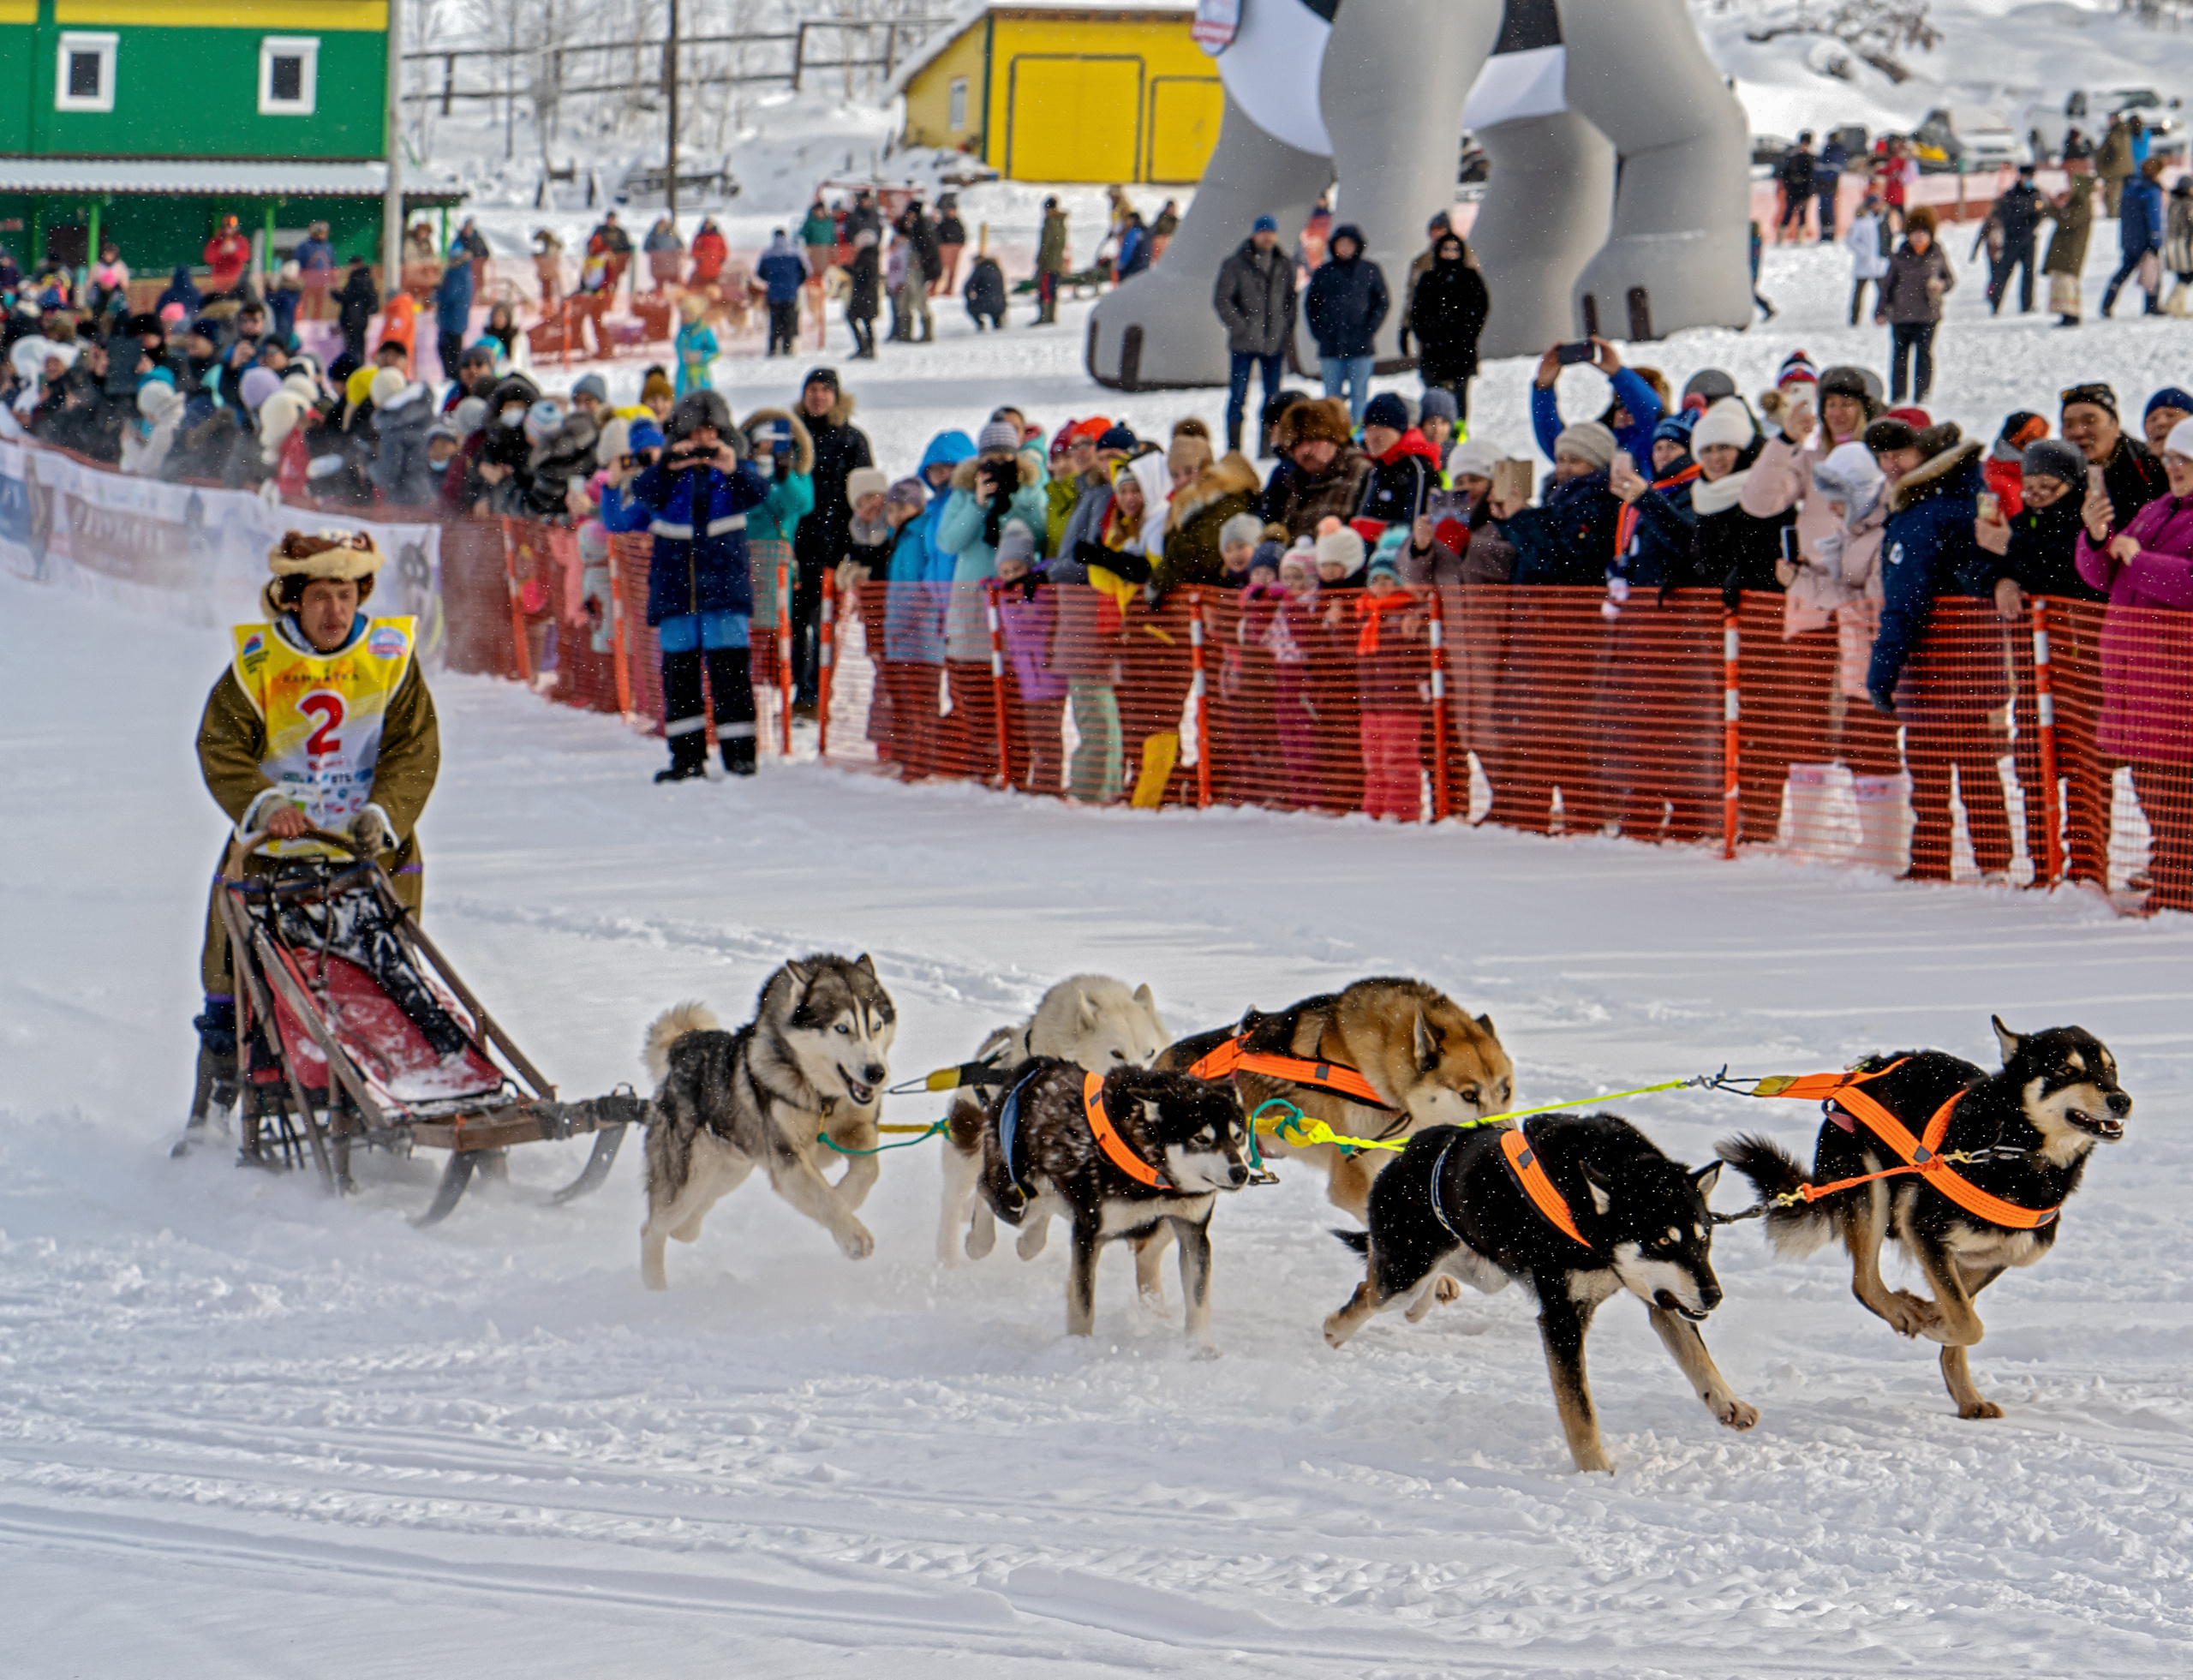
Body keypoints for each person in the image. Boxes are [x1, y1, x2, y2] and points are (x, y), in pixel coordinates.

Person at [188, 532, 439, 1158]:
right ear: (294, 599)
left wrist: (384, 812)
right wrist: (265, 804)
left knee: (386, 980)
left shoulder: (390, 656)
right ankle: (211, 1110)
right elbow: (221, 744)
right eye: (321, 596)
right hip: (270, 859)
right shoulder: (258, 662)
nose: (335, 610)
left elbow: (413, 748)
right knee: (232, 983)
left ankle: (394, 1098)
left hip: (369, 857)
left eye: (346, 595)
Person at [1864, 412, 2011, 882]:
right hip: (1975, 656)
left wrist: (1883, 670)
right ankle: (1994, 861)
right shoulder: (1969, 496)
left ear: (1925, 454)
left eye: (1900, 453)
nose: (1891, 464)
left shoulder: (1924, 512)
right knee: (1978, 764)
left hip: (1934, 663)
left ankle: (1931, 861)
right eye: (1883, 455)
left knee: (1929, 767)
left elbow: (1905, 600)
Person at [1973, 436, 2111, 885]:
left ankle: (2088, 867)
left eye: (2047, 487)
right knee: (2034, 763)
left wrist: (2013, 561)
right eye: (2029, 486)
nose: (2035, 495)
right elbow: (1999, 562)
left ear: (2071, 484)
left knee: (2084, 767)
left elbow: (2072, 573)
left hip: (2078, 664)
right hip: (2034, 669)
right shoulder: (2024, 522)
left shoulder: (2083, 525)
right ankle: (2042, 861)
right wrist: (2001, 578)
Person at [2075, 416, 2193, 911]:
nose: (2175, 468)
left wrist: (2139, 560)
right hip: (2140, 678)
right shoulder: (2156, 508)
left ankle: (2178, 899)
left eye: (2185, 460)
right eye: (2171, 459)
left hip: (2177, 682)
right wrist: (2097, 536)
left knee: (2175, 796)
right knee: (2153, 789)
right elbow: (2103, 577)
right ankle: (2171, 887)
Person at [635, 390, 777, 780]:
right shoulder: (668, 472)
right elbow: (644, 494)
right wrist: (668, 465)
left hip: (724, 591)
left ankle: (741, 757)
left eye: (710, 431)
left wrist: (734, 468)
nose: (703, 440)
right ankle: (686, 758)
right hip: (675, 591)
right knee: (679, 679)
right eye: (695, 432)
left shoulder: (735, 471)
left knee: (731, 675)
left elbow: (761, 494)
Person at [938, 418, 1052, 780]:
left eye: (1005, 456)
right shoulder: (963, 492)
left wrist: (1017, 499)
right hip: (972, 607)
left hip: (1014, 607)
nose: (998, 464)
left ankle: (1016, 770)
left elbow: (1040, 537)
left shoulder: (1030, 490)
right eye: (991, 457)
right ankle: (982, 769)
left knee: (1015, 698)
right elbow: (948, 542)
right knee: (976, 696)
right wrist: (977, 503)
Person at [790, 367, 874, 710]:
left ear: (836, 397)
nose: (818, 396)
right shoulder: (792, 436)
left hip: (833, 547)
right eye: (812, 389)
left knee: (822, 621)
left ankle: (817, 689)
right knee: (794, 621)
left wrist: (858, 549)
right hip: (794, 544)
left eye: (825, 390)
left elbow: (864, 500)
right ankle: (800, 686)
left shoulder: (852, 440)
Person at [738, 408, 818, 707]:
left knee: (773, 630)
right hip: (742, 559)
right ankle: (749, 691)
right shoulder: (740, 470)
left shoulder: (794, 474)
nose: (770, 445)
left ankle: (772, 692)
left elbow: (802, 504)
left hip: (775, 566)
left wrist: (783, 475)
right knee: (745, 629)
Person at [1212, 215, 1296, 456]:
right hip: (1244, 344)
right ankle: (1234, 449)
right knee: (1238, 397)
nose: (1267, 237)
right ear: (1254, 234)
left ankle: (1268, 447)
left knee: (1273, 399)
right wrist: (1241, 326)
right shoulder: (1235, 264)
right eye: (1263, 232)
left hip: (1273, 343)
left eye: (1271, 232)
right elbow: (1223, 300)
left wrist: (1285, 327)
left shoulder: (1283, 263)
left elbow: (1291, 299)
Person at [1529, 336, 1664, 469]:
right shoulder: (1601, 444)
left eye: (1632, 408)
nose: (1624, 412)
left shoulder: (1657, 449)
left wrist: (1618, 373)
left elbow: (1651, 414)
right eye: (1619, 404)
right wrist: (1544, 387)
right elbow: (1561, 446)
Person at [1303, 223, 1388, 425]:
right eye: (1341, 244)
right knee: (1332, 398)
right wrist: (1320, 333)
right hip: (1331, 346)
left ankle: (1357, 434)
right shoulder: (1324, 272)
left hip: (1361, 346)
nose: (1345, 248)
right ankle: (1335, 433)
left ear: (1357, 246)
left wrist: (1369, 330)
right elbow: (1311, 306)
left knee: (1359, 395)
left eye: (1349, 244)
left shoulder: (1370, 270)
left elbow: (1381, 302)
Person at [1408, 229, 1490, 425]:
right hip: (1434, 348)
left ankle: (1458, 428)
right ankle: (1435, 429)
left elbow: (1481, 307)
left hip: (1461, 347)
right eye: (1446, 249)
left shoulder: (1470, 278)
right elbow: (1417, 311)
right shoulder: (1429, 279)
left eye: (1455, 249)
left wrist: (1469, 332)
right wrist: (1425, 335)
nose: (1450, 253)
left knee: (1460, 392)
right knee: (1435, 394)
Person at [2062, 382, 2169, 529]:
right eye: (2068, 425)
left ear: (2115, 425)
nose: (2078, 432)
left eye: (2090, 421)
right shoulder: (2059, 476)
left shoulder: (2149, 465)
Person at [1264, 398, 1372, 540]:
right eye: (1297, 444)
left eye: (1312, 440)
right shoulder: (1292, 481)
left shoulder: (1363, 473)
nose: (1305, 451)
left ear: (1334, 438)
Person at [1878, 206, 1951, 404]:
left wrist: (1941, 285)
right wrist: (1881, 310)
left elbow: (1950, 280)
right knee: (1900, 357)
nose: (1918, 237)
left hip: (1927, 315)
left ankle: (1922, 393)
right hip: (1901, 316)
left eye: (1923, 233)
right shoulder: (1899, 257)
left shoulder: (1937, 255)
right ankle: (1898, 396)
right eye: (1915, 233)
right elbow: (1887, 285)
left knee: (1924, 356)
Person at [1353, 392, 1439, 532]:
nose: (1373, 437)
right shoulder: (1373, 466)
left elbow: (1415, 527)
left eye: (1381, 429)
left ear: (1399, 431)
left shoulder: (1417, 467)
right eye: (1368, 429)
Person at [2103, 155, 2167, 318]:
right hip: (2146, 237)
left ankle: (2107, 303)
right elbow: (2154, 217)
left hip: (2129, 237)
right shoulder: (2151, 191)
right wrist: (2156, 239)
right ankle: (2152, 305)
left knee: (2124, 271)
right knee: (2153, 270)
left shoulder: (2129, 188)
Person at [1986, 164, 2050, 315]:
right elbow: (2005, 216)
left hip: (2029, 239)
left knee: (2028, 274)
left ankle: (2027, 305)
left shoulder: (2036, 194)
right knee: (2003, 273)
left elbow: (2040, 215)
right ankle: (1996, 304)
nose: (2029, 180)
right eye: (2027, 176)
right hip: (2012, 239)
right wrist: (2017, 228)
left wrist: (2030, 226)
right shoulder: (2010, 195)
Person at [2043, 173, 2094, 326]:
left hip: (2070, 250)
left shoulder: (2082, 203)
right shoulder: (2076, 202)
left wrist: (2051, 208)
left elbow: (2067, 220)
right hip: (2065, 249)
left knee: (2067, 282)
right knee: (2062, 281)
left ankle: (2071, 314)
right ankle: (2066, 314)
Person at [756, 230, 808, 356]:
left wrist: (772, 280)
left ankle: (773, 348)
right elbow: (806, 271)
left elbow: (760, 273)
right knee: (789, 320)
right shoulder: (795, 252)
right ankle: (787, 347)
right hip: (790, 293)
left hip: (774, 293)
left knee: (774, 322)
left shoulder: (768, 253)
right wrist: (795, 283)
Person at [433, 242, 475, 381]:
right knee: (453, 350)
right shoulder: (465, 270)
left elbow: (451, 294)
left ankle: (453, 378)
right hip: (456, 319)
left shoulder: (457, 272)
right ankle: (454, 377)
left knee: (449, 351)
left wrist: (437, 295)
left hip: (451, 319)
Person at [845, 225, 880, 360]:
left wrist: (847, 269)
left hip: (863, 294)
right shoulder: (872, 255)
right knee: (867, 321)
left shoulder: (866, 256)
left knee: (853, 317)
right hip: (868, 294)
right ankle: (868, 347)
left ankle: (864, 347)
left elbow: (861, 274)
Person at [673, 294, 718, 398]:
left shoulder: (703, 330)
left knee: (700, 404)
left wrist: (700, 356)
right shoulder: (682, 331)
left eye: (685, 314)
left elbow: (716, 352)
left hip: (700, 380)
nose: (682, 317)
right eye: (681, 314)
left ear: (693, 314)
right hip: (683, 377)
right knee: (681, 404)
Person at [1034, 196, 1069, 325]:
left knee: (1045, 290)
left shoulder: (1050, 223)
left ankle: (1045, 316)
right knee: (1052, 289)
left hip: (1048, 263)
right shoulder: (1061, 222)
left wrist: (1040, 261)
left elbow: (1045, 245)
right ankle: (1051, 315)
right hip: (1058, 262)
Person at [1777, 133, 1818, 243]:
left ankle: (1800, 239)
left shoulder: (1810, 158)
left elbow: (1812, 177)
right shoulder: (1792, 158)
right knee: (1788, 213)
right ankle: (1781, 239)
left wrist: (1809, 192)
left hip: (1804, 192)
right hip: (1793, 191)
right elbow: (1786, 175)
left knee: (1802, 215)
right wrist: (1790, 186)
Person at [2099, 111, 2135, 218]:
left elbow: (2116, 151)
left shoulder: (2117, 133)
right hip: (2121, 168)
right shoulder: (2124, 131)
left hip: (2115, 169)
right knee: (2115, 194)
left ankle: (2113, 216)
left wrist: (2104, 164)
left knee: (2113, 195)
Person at [2165, 179, 2193, 316]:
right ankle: (2174, 306)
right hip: (2185, 245)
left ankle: (2175, 305)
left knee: (2183, 276)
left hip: (2173, 244)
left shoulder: (2174, 201)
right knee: (2187, 276)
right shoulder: (2188, 203)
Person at [204, 216, 252, 295]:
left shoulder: (241, 240)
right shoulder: (216, 241)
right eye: (226, 227)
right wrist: (221, 251)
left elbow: (245, 257)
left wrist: (234, 251)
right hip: (219, 280)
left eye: (230, 227)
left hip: (236, 279)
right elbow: (208, 258)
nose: (228, 229)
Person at [965, 247, 1007, 331]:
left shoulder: (980, 269)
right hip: (1000, 304)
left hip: (985, 302)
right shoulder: (996, 268)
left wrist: (969, 299)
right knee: (995, 311)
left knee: (971, 307)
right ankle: (997, 323)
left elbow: (968, 286)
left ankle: (980, 324)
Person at [1816, 131, 1847, 239]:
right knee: (1825, 209)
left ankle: (1828, 234)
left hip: (1828, 184)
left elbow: (1831, 168)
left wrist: (1822, 179)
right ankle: (1826, 233)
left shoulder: (1835, 151)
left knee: (1827, 209)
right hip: (1827, 184)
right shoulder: (1832, 151)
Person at [934, 194, 966, 295]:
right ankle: (936, 289)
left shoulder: (958, 223)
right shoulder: (944, 223)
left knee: (952, 271)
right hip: (945, 247)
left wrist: (960, 244)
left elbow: (962, 234)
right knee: (941, 270)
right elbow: (938, 235)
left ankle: (949, 289)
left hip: (955, 248)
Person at [643, 216, 684, 292]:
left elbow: (681, 245)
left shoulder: (672, 233)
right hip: (659, 266)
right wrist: (657, 253)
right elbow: (647, 247)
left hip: (672, 266)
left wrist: (678, 252)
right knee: (660, 286)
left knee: (675, 287)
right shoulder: (654, 234)